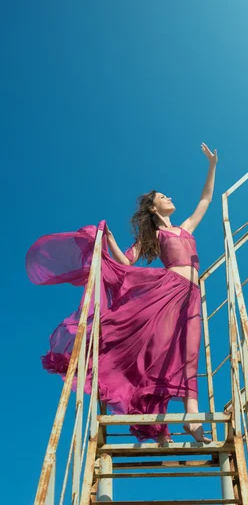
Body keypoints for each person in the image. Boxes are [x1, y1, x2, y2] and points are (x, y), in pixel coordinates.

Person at [26, 143, 218, 445]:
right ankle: (148, 408)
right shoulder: (155, 234)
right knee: (157, 350)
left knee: (189, 352)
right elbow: (127, 261)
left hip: (191, 295)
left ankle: (191, 416)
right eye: (163, 197)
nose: (170, 197)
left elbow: (206, 199)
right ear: (154, 208)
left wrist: (212, 166)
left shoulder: (185, 229)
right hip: (166, 292)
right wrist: (111, 241)